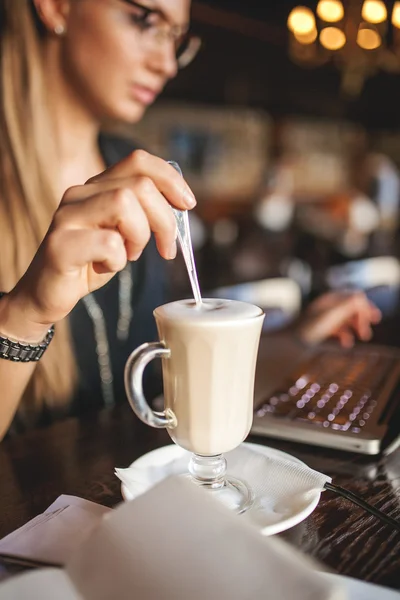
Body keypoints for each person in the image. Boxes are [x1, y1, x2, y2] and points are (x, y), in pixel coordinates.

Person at [0, 0, 381, 441]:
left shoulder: (132, 176)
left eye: (177, 39)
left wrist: (291, 341)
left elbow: (153, 384)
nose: (166, 64)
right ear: (56, 7)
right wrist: (24, 315)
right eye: (145, 20)